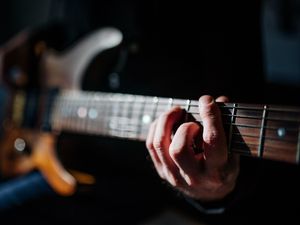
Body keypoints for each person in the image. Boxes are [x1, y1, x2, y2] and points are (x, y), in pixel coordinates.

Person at [1, 0, 300, 224]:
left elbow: (237, 87)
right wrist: (39, 40)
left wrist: (216, 187)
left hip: (125, 175)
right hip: (48, 127)